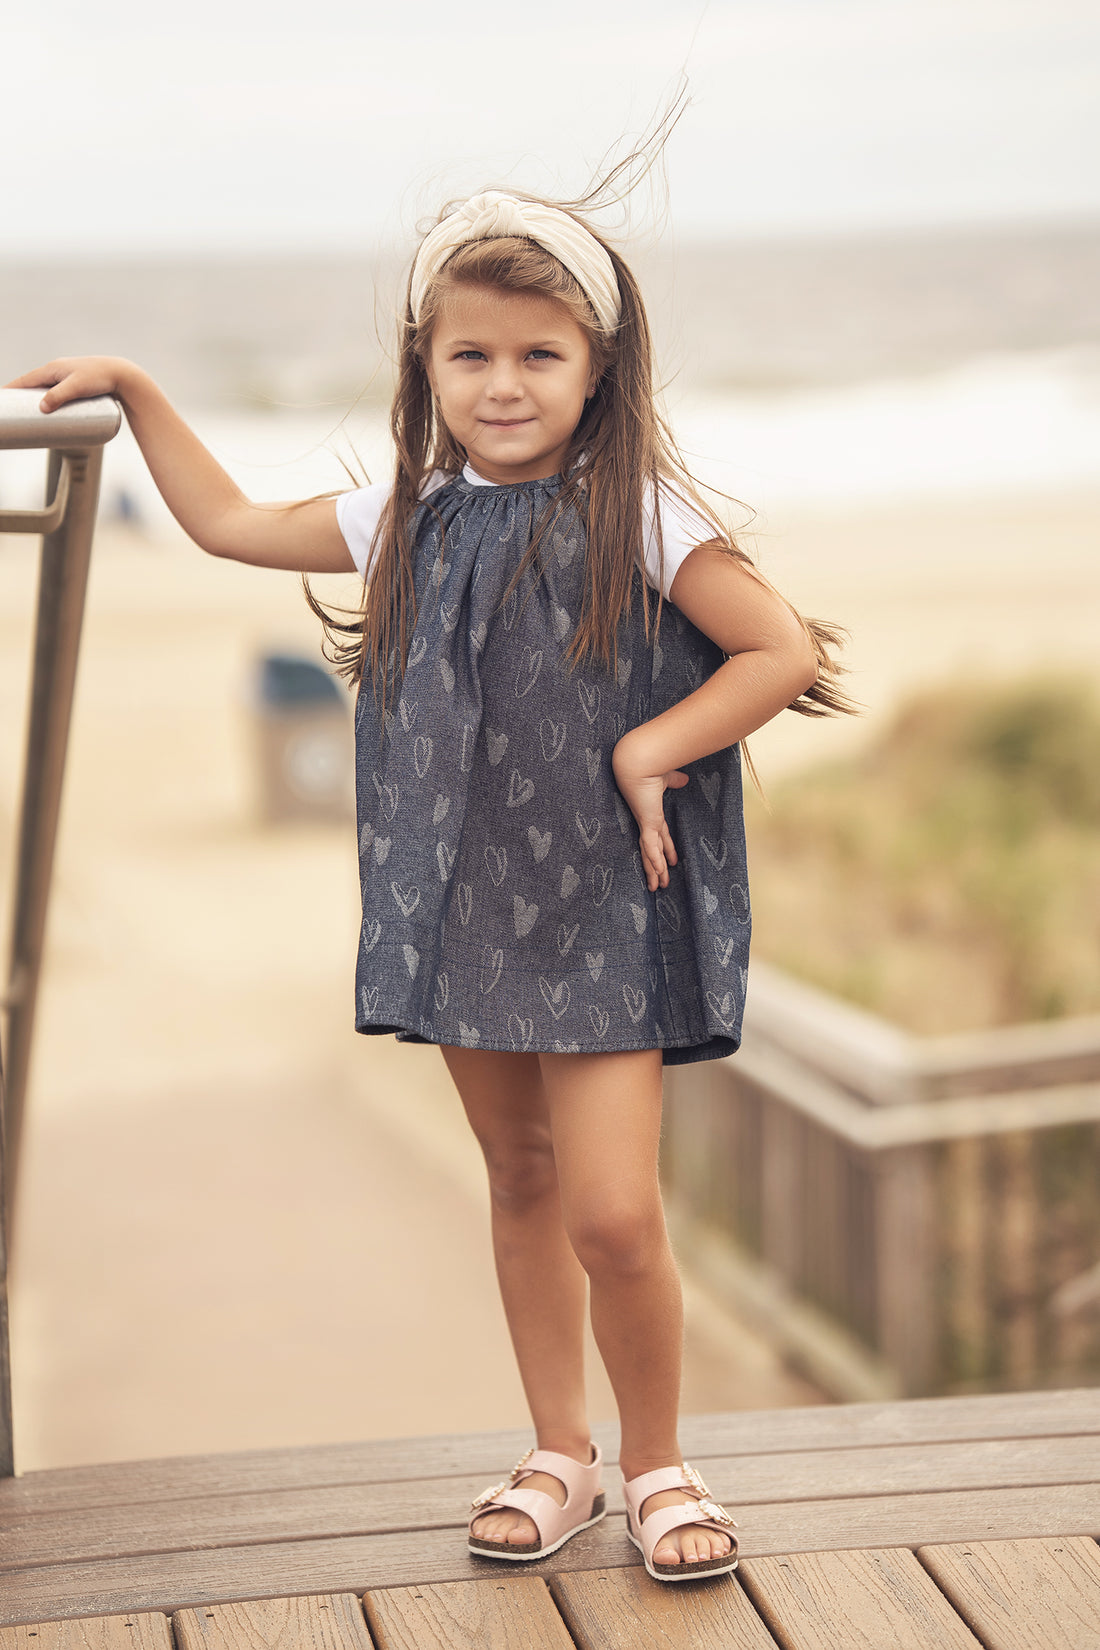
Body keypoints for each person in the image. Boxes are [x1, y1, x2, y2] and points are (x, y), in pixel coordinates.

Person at [9, 187, 848, 1583]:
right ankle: (560, 1452)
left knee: (613, 1212)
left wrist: (652, 744)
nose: (504, 384)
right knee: (515, 1175)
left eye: (540, 356)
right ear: (427, 369)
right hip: (455, 896)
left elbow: (778, 652)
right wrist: (140, 387)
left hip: (597, 910)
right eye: (472, 356)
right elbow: (221, 523)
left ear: (596, 371)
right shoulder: (406, 506)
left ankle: (659, 1462)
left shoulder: (636, 506)